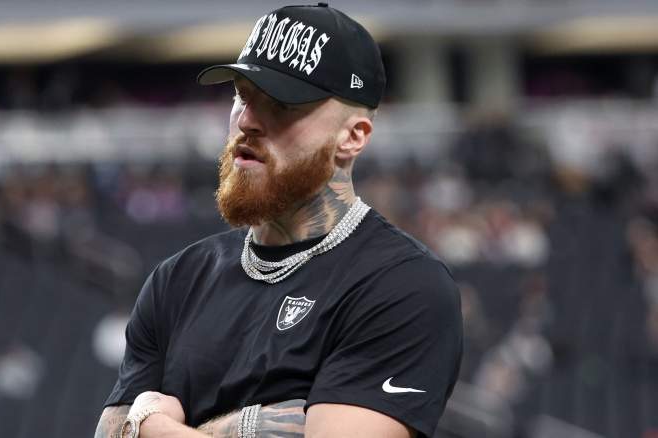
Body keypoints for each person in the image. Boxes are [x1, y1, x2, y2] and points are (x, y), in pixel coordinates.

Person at [95, 4, 462, 438]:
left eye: (283, 104)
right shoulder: (178, 279)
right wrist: (245, 428)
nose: (247, 121)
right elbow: (108, 430)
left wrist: (152, 426)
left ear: (352, 136)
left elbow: (127, 428)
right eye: (242, 95)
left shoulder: (402, 286)